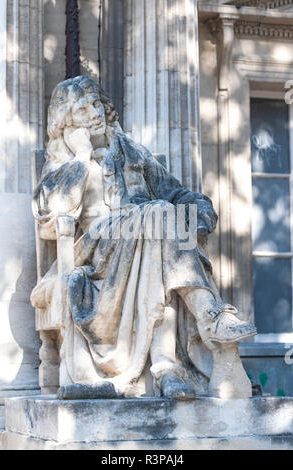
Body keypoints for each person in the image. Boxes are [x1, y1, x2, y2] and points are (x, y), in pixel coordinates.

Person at [31, 76, 256, 399]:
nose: (94, 113)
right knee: (160, 216)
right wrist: (81, 159)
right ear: (66, 120)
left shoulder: (131, 149)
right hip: (96, 249)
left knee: (160, 228)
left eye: (97, 103)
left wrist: (199, 213)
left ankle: (167, 370)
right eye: (82, 110)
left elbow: (176, 193)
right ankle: (210, 316)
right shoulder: (62, 157)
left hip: (149, 239)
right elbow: (50, 218)